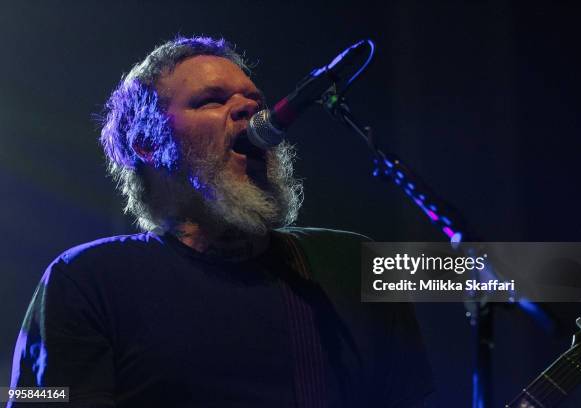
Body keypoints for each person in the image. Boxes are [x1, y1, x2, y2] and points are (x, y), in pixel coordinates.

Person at [8, 36, 434, 407]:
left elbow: (479, 276)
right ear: (146, 143)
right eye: (211, 100)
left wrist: (495, 276)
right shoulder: (87, 278)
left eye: (255, 101)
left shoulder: (354, 259)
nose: (249, 108)